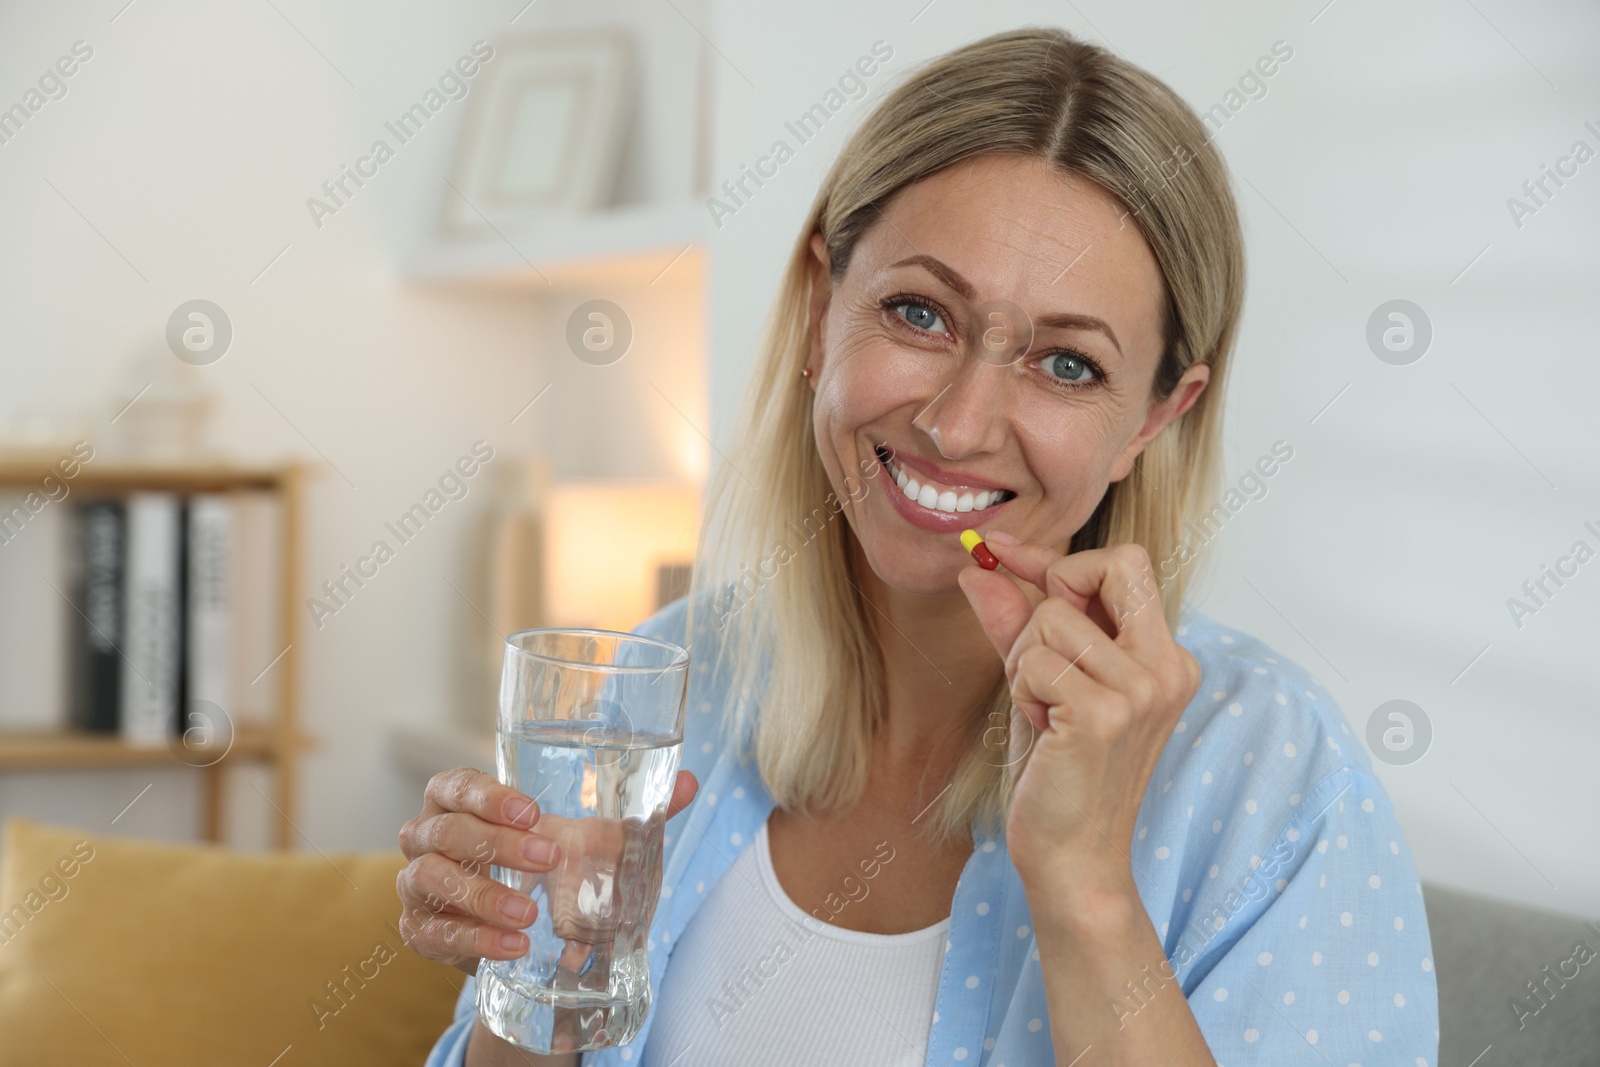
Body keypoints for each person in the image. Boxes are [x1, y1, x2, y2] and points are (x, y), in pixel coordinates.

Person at [400, 26, 1440, 1066]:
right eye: (918, 312)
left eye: (1067, 365)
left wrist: (1086, 892)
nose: (960, 422)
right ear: (820, 311)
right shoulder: (672, 677)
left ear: (1156, 418)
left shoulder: (1277, 776)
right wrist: (539, 976)